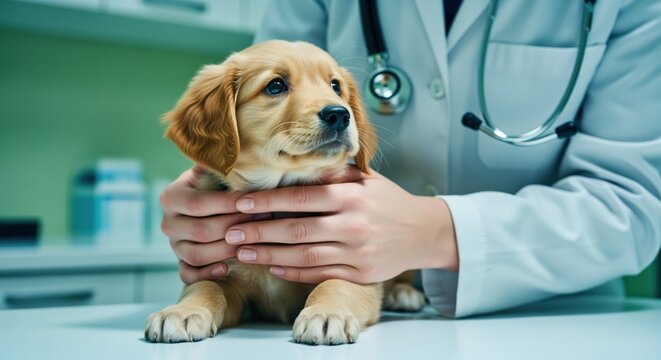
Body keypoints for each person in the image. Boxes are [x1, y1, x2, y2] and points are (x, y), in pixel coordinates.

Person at [159, 1, 661, 317]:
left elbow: (634, 204)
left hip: (558, 319)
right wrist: (205, 204)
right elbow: (252, 108)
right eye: (278, 88)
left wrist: (433, 231)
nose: (333, 104)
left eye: (337, 87)